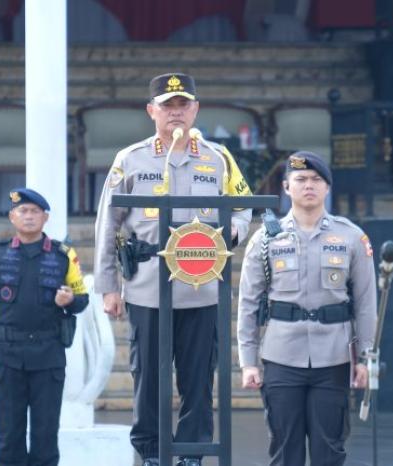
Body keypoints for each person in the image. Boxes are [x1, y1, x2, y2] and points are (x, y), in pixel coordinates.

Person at [93, 73, 253, 466]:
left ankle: (192, 452)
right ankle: (150, 451)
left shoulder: (218, 158)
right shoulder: (130, 158)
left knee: (198, 378)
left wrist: (232, 231)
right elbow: (107, 223)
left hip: (201, 287)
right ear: (152, 112)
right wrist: (108, 286)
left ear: (196, 109)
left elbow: (244, 203)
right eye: (168, 106)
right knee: (148, 377)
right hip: (147, 284)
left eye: (184, 105)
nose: (176, 113)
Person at [237, 151, 377, 466]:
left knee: (330, 447)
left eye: (316, 180)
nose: (308, 186)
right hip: (281, 355)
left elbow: (367, 303)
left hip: (334, 356)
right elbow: (248, 303)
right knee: (285, 448)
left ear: (327, 188)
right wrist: (248, 362)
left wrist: (366, 359)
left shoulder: (351, 237)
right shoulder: (265, 239)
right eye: (300, 179)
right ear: (286, 187)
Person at [0, 187, 89, 466]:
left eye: (35, 212)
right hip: (8, 357)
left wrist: (70, 300)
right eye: (22, 211)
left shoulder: (64, 256)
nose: (28, 216)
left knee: (45, 438)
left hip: (48, 357)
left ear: (45, 218)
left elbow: (82, 299)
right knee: (9, 438)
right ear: (12, 217)